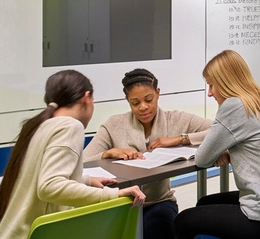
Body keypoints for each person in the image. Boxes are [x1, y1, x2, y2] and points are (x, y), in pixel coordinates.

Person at [0, 70, 145, 239]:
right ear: (86, 97)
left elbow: (38, 175)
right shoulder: (70, 127)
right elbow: (49, 187)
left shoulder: (40, 125)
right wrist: (113, 194)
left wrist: (85, 180)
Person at [173, 50, 260, 239]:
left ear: (226, 82)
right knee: (205, 202)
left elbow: (203, 159)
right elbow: (233, 138)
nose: (210, 93)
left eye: (212, 85)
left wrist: (219, 149)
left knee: (182, 221)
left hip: (258, 218)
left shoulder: (234, 106)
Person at [83, 68, 213, 239]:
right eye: (135, 103)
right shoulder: (113, 125)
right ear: (127, 101)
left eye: (149, 100)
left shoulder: (175, 119)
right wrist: (107, 154)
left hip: (159, 202)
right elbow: (82, 161)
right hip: (120, 203)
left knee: (159, 222)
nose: (143, 107)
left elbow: (218, 129)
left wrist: (179, 139)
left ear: (158, 93)